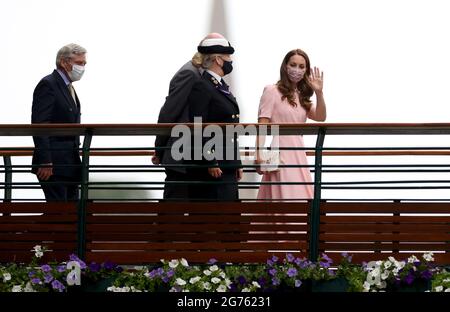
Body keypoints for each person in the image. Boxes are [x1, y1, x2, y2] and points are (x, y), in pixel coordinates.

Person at [153, 33, 226, 201]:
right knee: (174, 211)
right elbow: (169, 112)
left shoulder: (203, 73)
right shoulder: (190, 73)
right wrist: (159, 148)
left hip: (195, 155)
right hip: (181, 155)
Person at [255, 48, 326, 201]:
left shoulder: (301, 96)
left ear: (306, 70)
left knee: (302, 197)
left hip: (299, 152)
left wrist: (319, 93)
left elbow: (321, 117)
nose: (297, 69)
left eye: (302, 66)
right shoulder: (271, 91)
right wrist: (259, 154)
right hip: (280, 151)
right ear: (285, 66)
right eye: (293, 64)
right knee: (284, 197)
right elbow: (262, 123)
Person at [184, 37, 243, 201]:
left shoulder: (219, 86)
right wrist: (209, 160)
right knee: (214, 219)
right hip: (213, 167)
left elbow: (231, 129)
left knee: (230, 220)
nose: (230, 61)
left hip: (227, 164)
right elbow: (197, 125)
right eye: (228, 57)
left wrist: (236, 162)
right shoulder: (203, 86)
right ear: (218, 59)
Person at [31, 43, 87, 201]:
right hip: (54, 164)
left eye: (84, 64)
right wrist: (45, 160)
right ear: (64, 62)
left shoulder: (68, 87)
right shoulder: (48, 84)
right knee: (58, 216)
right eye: (79, 63)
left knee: (73, 217)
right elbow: (40, 124)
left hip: (70, 164)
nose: (82, 67)